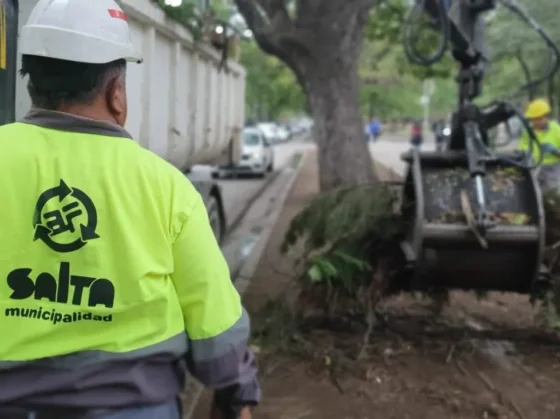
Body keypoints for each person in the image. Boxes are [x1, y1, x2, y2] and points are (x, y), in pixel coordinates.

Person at [0, 1, 259, 418]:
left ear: (31, 81)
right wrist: (236, 390)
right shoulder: (166, 187)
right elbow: (215, 326)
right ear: (116, 92)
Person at [519, 98, 560, 192]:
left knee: (551, 193)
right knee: (535, 192)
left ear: (546, 116)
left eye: (539, 118)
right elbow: (522, 148)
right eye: (534, 119)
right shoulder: (527, 132)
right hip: (534, 167)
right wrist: (526, 154)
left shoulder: (556, 129)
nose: (537, 122)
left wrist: (555, 151)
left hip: (552, 168)